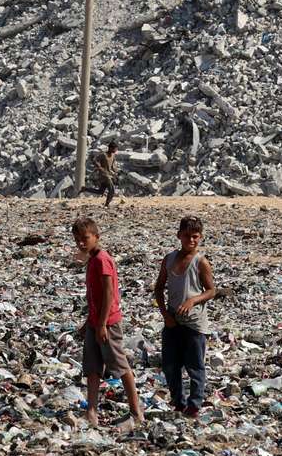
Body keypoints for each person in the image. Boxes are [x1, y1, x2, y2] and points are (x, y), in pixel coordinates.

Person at [72, 217, 144, 428]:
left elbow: (109, 292)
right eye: (77, 240)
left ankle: (136, 411)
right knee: (92, 367)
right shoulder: (91, 260)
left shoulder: (102, 259)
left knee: (119, 365)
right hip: (96, 322)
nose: (81, 244)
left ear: (96, 237)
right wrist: (89, 322)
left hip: (108, 323)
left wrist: (102, 324)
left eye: (85, 239)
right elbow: (94, 297)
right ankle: (91, 411)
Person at [152, 216, 216, 418]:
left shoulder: (200, 262)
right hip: (173, 321)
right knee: (170, 366)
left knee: (195, 366)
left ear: (201, 237)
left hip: (194, 323)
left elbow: (212, 290)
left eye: (195, 237)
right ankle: (178, 403)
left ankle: (194, 405)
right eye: (187, 236)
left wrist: (193, 300)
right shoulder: (169, 259)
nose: (191, 240)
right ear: (179, 235)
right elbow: (159, 288)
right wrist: (165, 314)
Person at [80, 142, 119, 207]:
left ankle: (85, 189)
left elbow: (112, 166)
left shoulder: (113, 156)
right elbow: (95, 160)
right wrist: (99, 167)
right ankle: (107, 204)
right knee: (112, 190)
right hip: (103, 175)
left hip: (109, 174)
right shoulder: (103, 155)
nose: (116, 150)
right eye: (115, 149)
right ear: (110, 148)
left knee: (100, 191)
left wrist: (115, 173)